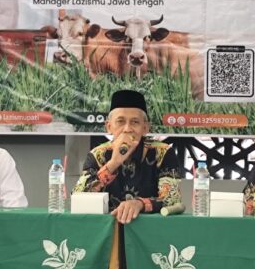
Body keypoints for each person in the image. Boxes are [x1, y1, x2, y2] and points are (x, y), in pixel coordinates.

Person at [73, 90, 181, 224]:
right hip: (108, 228)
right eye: (120, 121)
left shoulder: (163, 152)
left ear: (145, 128)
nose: (127, 129)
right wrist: (113, 163)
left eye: (135, 122)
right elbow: (78, 197)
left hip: (151, 228)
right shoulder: (97, 154)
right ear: (109, 127)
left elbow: (172, 199)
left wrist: (140, 204)